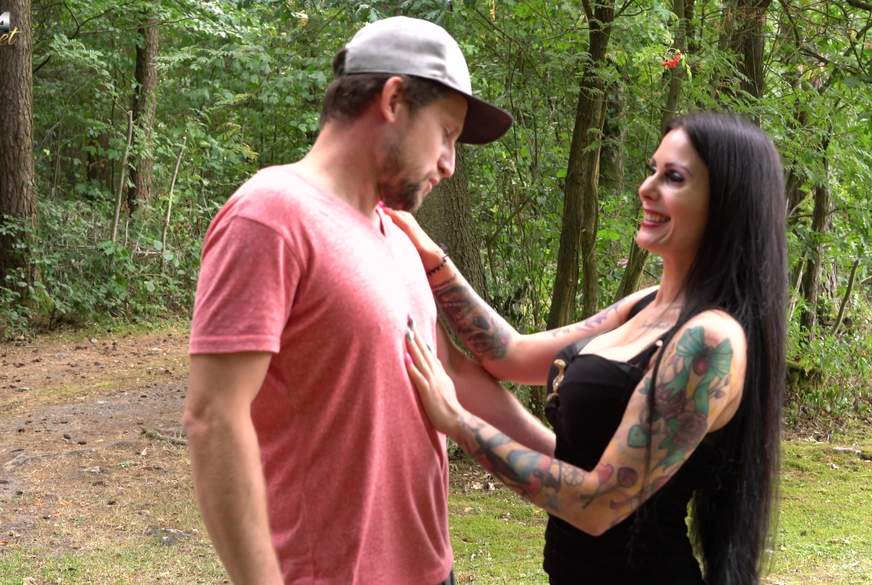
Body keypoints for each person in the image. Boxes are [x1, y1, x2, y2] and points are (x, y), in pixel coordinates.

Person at [183, 16, 555, 585]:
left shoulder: (395, 232)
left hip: (432, 570)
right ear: (394, 100)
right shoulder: (271, 215)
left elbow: (452, 372)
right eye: (446, 134)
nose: (449, 164)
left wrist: (567, 458)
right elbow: (215, 418)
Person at [393, 112, 787, 584]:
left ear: (725, 203)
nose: (646, 188)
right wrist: (429, 260)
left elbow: (598, 504)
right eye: (653, 169)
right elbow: (508, 354)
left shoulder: (710, 342)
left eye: (674, 177)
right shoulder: (644, 305)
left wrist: (459, 424)